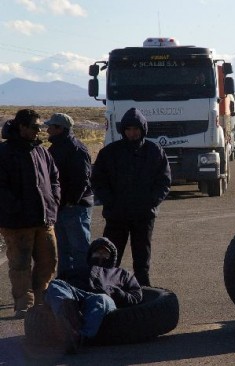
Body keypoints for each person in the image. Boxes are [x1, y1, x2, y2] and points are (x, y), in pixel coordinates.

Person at [91, 107, 171, 286]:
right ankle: (106, 290)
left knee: (142, 259)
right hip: (116, 216)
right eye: (128, 129)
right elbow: (98, 181)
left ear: (143, 129)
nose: (132, 133)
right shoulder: (109, 153)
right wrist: (110, 202)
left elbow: (164, 182)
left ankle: (143, 292)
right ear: (123, 130)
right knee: (109, 257)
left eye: (136, 129)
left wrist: (151, 202)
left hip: (143, 216)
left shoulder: (154, 152)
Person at [0, 109, 60, 319]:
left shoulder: (42, 152)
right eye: (34, 127)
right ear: (21, 127)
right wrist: (15, 208)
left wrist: (53, 201)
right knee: (20, 264)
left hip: (44, 219)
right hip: (17, 223)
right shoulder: (5, 152)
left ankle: (42, 301)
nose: (38, 131)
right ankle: (23, 304)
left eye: (39, 127)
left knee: (49, 261)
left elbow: (54, 178)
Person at [44, 237, 143, 353]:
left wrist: (117, 293)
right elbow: (55, 289)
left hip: (104, 298)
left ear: (112, 256)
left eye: (105, 253)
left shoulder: (122, 274)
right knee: (56, 284)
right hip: (77, 296)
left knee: (101, 299)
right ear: (91, 255)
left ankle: (79, 337)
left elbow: (137, 295)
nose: (101, 255)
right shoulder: (77, 270)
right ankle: (69, 318)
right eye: (97, 252)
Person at [45, 113, 94, 278]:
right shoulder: (56, 147)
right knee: (64, 249)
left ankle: (84, 283)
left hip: (75, 207)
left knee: (79, 249)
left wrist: (72, 201)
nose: (48, 129)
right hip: (62, 206)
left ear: (60, 128)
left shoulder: (76, 148)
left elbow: (82, 178)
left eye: (51, 126)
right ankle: (66, 284)